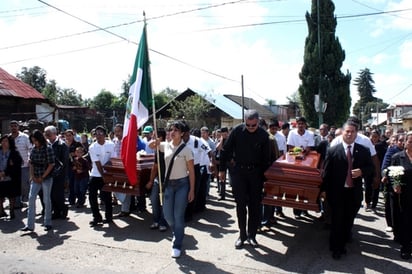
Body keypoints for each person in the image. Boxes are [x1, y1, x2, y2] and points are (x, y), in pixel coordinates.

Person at [320, 121, 374, 260]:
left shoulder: (363, 151)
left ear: (356, 134)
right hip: (337, 193)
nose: (349, 134)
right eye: (347, 131)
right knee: (337, 220)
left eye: (352, 132)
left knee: (348, 221)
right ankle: (336, 248)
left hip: (353, 193)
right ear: (342, 132)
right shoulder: (333, 150)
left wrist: (362, 171)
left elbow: (371, 168)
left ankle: (341, 243)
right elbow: (326, 172)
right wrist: (323, 190)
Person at [218, 109, 272, 249]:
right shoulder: (237, 131)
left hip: (256, 174)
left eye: (253, 125)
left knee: (255, 206)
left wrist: (266, 179)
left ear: (258, 122)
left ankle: (252, 235)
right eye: (248, 125)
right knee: (241, 205)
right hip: (239, 173)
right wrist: (222, 169)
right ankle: (242, 235)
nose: (250, 128)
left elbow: (267, 159)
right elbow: (225, 150)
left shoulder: (263, 135)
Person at [149, 121, 195, 258]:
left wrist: (192, 190)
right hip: (168, 184)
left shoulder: (186, 150)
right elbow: (151, 146)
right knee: (168, 215)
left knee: (178, 215)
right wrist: (155, 140)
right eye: (171, 129)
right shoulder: (165, 146)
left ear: (182, 133)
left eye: (176, 130)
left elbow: (191, 172)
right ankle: (178, 232)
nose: (172, 132)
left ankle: (177, 244)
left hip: (182, 184)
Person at [22, 129, 55, 232]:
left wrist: (43, 177)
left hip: (46, 177)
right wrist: (32, 176)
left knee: (46, 200)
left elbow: (51, 164)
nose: (35, 143)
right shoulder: (34, 149)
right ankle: (30, 225)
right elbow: (31, 163)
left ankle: (47, 222)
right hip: (35, 176)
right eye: (33, 141)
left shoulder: (48, 148)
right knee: (31, 199)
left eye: (36, 140)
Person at [388, 131, 412, 260]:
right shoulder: (398, 157)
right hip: (404, 196)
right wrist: (395, 185)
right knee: (406, 221)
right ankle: (406, 248)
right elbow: (391, 175)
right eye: (410, 141)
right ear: (405, 143)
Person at [287, 116, 314, 218]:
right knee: (296, 187)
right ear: (296, 124)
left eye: (303, 123)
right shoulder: (292, 133)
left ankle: (305, 210)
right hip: (295, 163)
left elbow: (310, 148)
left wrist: (302, 151)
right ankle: (296, 212)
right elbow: (290, 148)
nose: (301, 125)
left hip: (307, 163)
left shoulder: (310, 134)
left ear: (305, 124)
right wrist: (300, 151)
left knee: (306, 188)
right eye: (299, 123)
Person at [88, 125, 116, 227]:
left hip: (107, 174)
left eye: (100, 133)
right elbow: (97, 163)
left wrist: (108, 174)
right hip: (95, 174)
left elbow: (112, 159)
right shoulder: (92, 147)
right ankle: (96, 217)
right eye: (96, 133)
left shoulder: (111, 145)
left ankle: (109, 217)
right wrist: (102, 175)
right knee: (92, 197)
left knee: (107, 197)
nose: (98, 135)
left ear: (105, 134)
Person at [381, 134, 405, 235]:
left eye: (404, 140)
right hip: (394, 182)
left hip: (407, 183)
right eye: (400, 140)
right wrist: (385, 175)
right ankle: (392, 225)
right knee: (392, 205)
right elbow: (385, 166)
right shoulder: (392, 151)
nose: (402, 143)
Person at [44, 125, 69, 220]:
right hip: (48, 172)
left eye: (49, 134)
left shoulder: (62, 145)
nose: (47, 136)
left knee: (57, 193)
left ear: (54, 134)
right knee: (50, 194)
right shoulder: (45, 144)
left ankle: (62, 209)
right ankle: (55, 211)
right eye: (46, 134)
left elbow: (64, 161)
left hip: (59, 173)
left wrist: (59, 172)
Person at [146, 128, 168, 232]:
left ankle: (163, 222)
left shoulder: (169, 149)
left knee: (164, 202)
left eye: (154, 136)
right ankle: (156, 220)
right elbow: (155, 167)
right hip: (158, 179)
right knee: (154, 199)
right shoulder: (157, 150)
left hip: (168, 180)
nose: (152, 138)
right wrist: (151, 181)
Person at [8, 120, 31, 208]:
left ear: (18, 127)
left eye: (15, 126)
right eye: (12, 126)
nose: (13, 128)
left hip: (24, 165)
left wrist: (29, 159)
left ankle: (24, 198)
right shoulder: (8, 138)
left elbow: (30, 149)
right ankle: (17, 203)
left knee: (24, 184)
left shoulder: (25, 137)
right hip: (12, 166)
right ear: (9, 127)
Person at [0, 135, 23, 219]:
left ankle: (12, 210)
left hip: (11, 177)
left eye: (6, 141)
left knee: (11, 195)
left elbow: (17, 165)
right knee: (0, 195)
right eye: (2, 141)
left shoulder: (14, 152)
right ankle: (1, 211)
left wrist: (5, 172)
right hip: (0, 177)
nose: (4, 143)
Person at [64, 129, 83, 206]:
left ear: (73, 136)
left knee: (76, 184)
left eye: (70, 135)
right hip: (66, 166)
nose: (68, 137)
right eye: (67, 135)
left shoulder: (77, 144)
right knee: (69, 184)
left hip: (75, 166)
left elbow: (84, 152)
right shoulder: (63, 144)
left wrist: (75, 154)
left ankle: (80, 199)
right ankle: (71, 199)